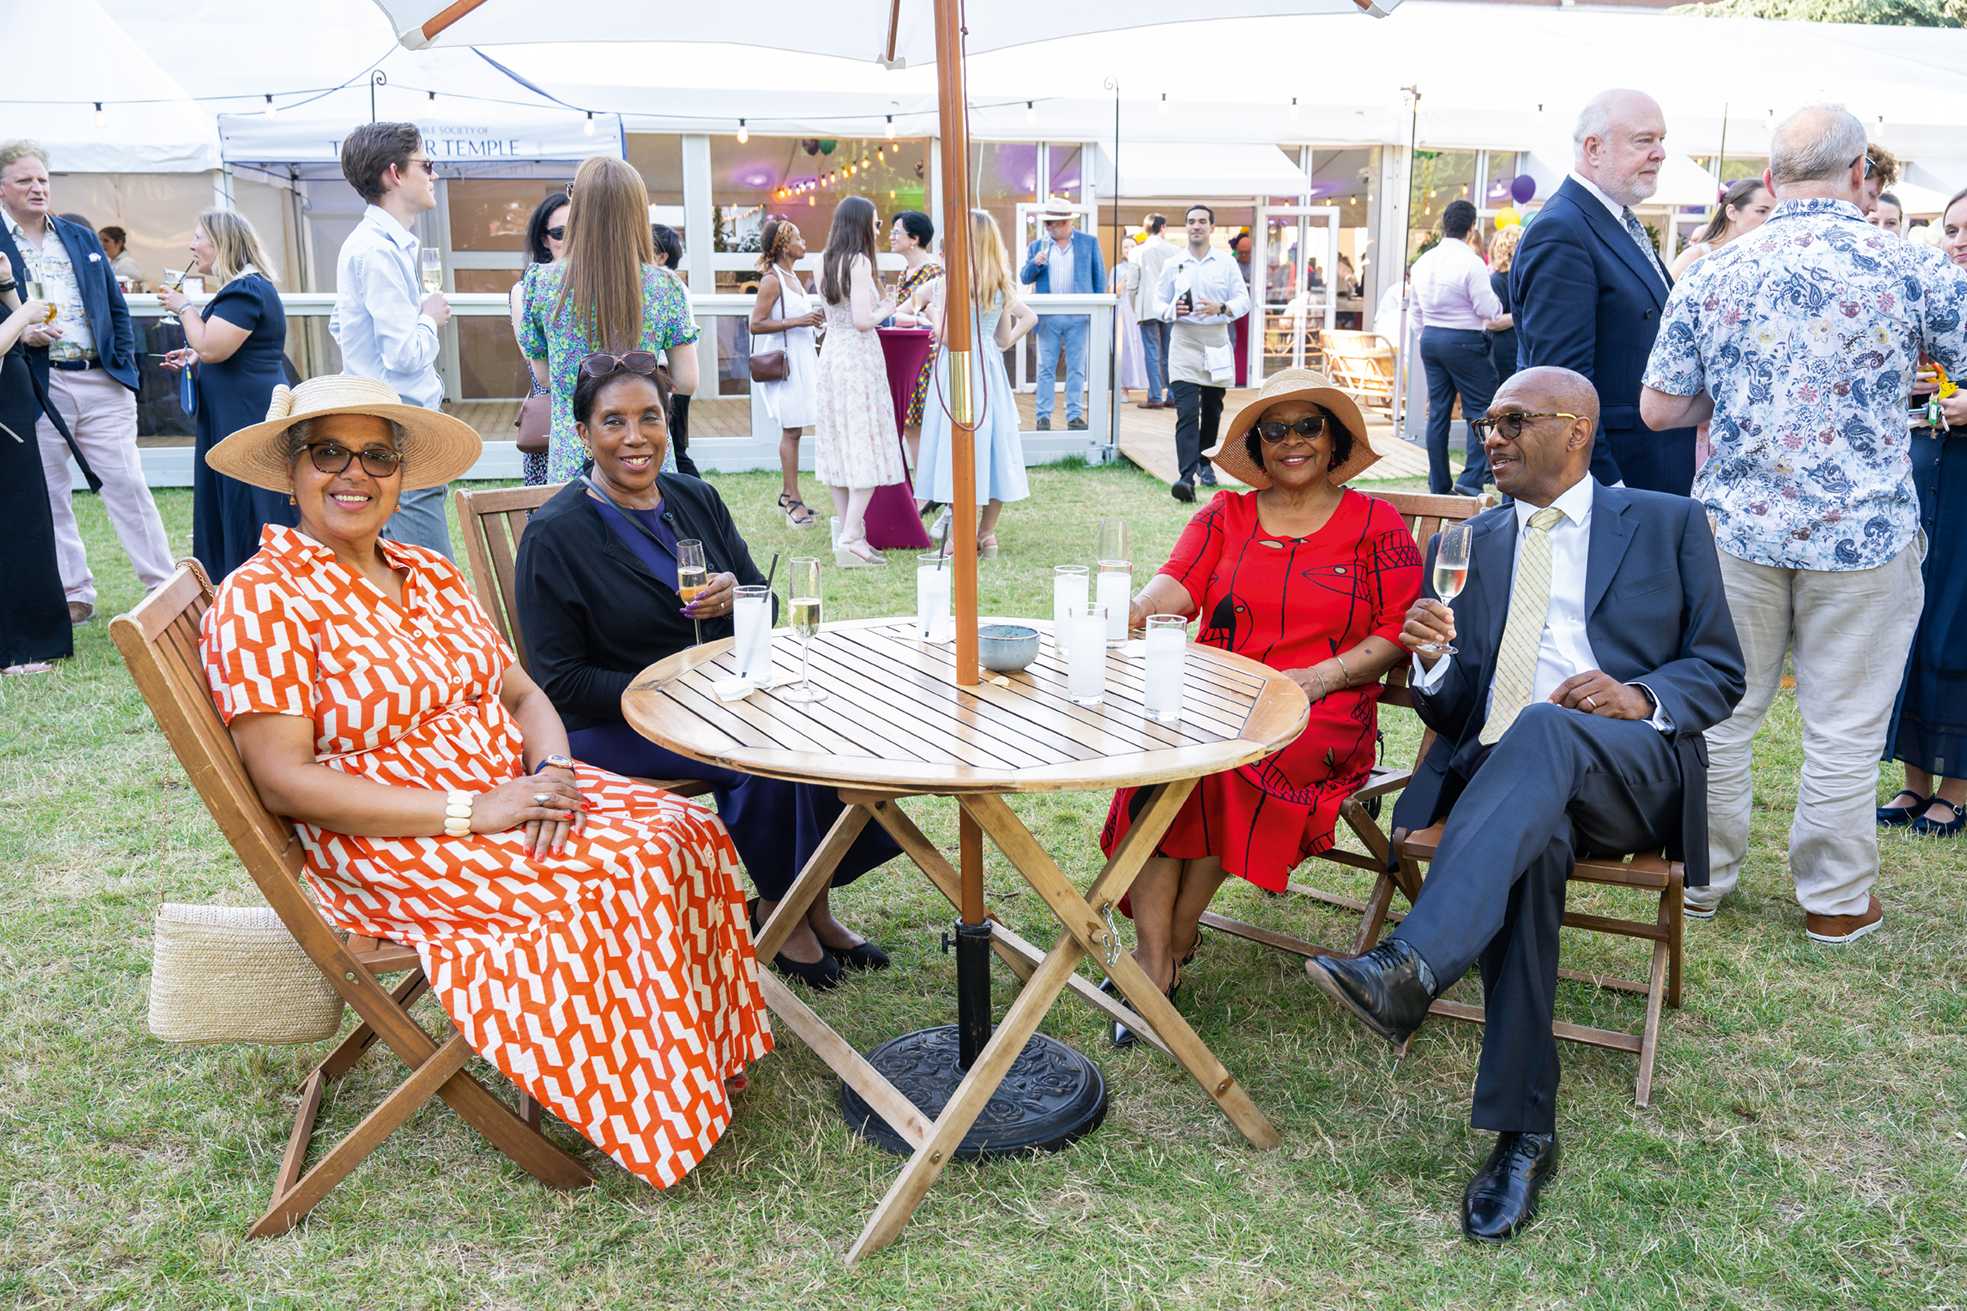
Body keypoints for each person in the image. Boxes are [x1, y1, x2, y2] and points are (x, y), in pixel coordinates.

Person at [200, 372, 769, 1191]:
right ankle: (652, 1100)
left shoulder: (424, 573)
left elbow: (524, 693)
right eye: (329, 453)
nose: (353, 474)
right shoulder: (267, 600)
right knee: (615, 871)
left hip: (510, 790)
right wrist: (475, 809)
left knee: (681, 829)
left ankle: (696, 1067)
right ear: (291, 472)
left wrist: (551, 770)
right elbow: (285, 782)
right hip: (394, 843)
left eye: (376, 456)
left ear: (400, 474)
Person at [1310, 366, 1745, 1244]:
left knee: (1544, 728)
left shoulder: (1665, 522)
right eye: (1485, 422)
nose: (1490, 437)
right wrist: (1431, 661)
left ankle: (1414, 961)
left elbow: (1720, 669)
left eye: (1511, 421)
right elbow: (1454, 703)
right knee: (1532, 844)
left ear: (1575, 429)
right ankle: (1522, 1134)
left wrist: (1640, 696)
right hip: (1509, 790)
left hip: (1628, 773)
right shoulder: (1474, 542)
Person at [1641, 103, 1967, 942]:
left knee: (1720, 715)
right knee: (1845, 725)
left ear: (1773, 178)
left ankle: (1701, 882)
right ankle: (1833, 899)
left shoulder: (1711, 271)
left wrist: (1755, 395)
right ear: (1861, 173)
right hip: (1862, 537)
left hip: (1735, 531)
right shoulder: (1911, 268)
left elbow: (1658, 408)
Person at [513, 356, 900, 987]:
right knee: (757, 754)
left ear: (668, 426)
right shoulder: (555, 535)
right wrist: (675, 697)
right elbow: (560, 683)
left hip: (720, 697)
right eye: (613, 422)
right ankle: (787, 918)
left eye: (650, 418)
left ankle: (806, 905)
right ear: (582, 434)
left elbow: (765, 602)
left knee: (826, 727)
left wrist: (738, 595)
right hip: (612, 723)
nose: (635, 437)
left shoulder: (695, 497)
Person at [1103, 369, 1419, 1044]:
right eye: (1273, 430)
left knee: (1229, 763)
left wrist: (1321, 676)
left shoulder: (1375, 523)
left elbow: (1397, 630)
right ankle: (1156, 961)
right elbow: (1175, 585)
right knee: (1163, 761)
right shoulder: (1225, 515)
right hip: (1215, 695)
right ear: (1257, 446)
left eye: (1308, 425)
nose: (1292, 441)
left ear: (1332, 439)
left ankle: (1177, 939)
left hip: (1321, 712)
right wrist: (1134, 610)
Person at [0, 140, 170, 626]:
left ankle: (160, 583)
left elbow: (114, 306)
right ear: (1, 189)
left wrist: (124, 370)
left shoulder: (78, 236)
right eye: (24, 181)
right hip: (36, 382)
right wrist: (21, 332)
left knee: (128, 484)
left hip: (101, 379)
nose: (37, 188)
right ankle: (75, 592)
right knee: (51, 492)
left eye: (43, 180)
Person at [1510, 89, 1695, 496]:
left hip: (1648, 469)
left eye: (1662, 139)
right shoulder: (1563, 230)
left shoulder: (1612, 220)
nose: (1660, 152)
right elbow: (1561, 388)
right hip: (1614, 483)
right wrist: (1609, 487)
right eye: (1644, 140)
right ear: (1593, 148)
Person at [522, 156, 700, 490]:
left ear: (579, 208)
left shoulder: (541, 284)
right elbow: (687, 381)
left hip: (574, 458)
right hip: (643, 455)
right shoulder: (665, 287)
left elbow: (545, 376)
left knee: (577, 539)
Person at [1880, 186, 1967, 837]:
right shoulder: (1932, 299)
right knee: (1912, 612)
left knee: (1957, 622)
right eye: (1950, 229)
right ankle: (1913, 780)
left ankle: (1957, 787)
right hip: (1923, 464)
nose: (1958, 240)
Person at [328, 122, 456, 558]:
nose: (434, 174)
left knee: (402, 573)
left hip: (384, 425)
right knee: (432, 581)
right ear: (394, 174)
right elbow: (403, 356)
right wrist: (428, 318)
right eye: (427, 164)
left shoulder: (370, 243)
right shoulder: (379, 249)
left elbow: (339, 325)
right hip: (402, 429)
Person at [156, 210, 296, 583]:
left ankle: (257, 580)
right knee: (238, 493)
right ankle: (242, 579)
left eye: (198, 237)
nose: (191, 245)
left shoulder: (245, 289)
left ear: (222, 243)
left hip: (244, 413)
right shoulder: (245, 288)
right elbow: (221, 349)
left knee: (248, 495)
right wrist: (194, 356)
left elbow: (214, 347)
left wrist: (183, 307)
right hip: (236, 408)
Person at [915, 209, 1038, 558]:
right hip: (989, 368)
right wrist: (998, 342)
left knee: (959, 447)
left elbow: (947, 336)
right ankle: (987, 533)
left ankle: (959, 538)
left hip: (958, 368)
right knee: (995, 444)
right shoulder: (997, 283)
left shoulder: (947, 282)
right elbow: (1011, 330)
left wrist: (933, 314)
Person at [812, 196, 902, 567]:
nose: (879, 230)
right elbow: (864, 319)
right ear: (862, 224)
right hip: (858, 356)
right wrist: (888, 308)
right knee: (864, 440)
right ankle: (851, 535)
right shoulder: (860, 262)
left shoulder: (822, 260)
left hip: (832, 353)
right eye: (877, 224)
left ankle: (852, 532)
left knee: (838, 441)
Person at [1155, 204, 1252, 503]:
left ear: (1211, 227)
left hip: (1216, 342)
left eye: (1202, 222)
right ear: (1184, 227)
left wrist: (1221, 308)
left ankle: (1206, 463)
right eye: (1191, 222)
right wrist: (1173, 309)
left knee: (1212, 410)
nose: (1196, 226)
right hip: (1183, 341)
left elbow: (1243, 301)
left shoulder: (1226, 262)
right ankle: (1186, 478)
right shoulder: (1173, 263)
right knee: (1186, 412)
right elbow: (1157, 304)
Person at [1410, 199, 1504, 497]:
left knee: (1438, 413)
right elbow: (1488, 309)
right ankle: (1471, 478)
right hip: (1464, 339)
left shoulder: (1423, 260)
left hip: (1431, 338)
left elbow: (1415, 311)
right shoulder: (1471, 261)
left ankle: (1438, 483)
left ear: (1444, 225)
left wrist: (1425, 336)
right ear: (1472, 228)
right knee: (1482, 410)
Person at [0, 256, 66, 674]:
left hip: (14, 420)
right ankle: (14, 649)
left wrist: (7, 284)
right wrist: (24, 311)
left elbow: (16, 337)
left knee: (28, 527)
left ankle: (33, 639)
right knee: (13, 531)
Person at [748, 217, 824, 529]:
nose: (803, 242)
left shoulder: (793, 277)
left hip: (803, 360)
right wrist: (799, 321)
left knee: (797, 429)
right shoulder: (772, 280)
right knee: (792, 431)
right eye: (798, 237)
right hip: (785, 367)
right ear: (783, 245)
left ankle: (786, 496)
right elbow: (756, 323)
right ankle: (793, 499)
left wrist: (812, 323)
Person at [1019, 200, 1105, 431]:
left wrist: (1096, 313)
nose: (1047, 226)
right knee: (1046, 367)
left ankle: (1074, 415)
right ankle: (1043, 416)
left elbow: (1099, 279)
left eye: (1051, 223)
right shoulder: (1038, 245)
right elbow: (1025, 278)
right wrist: (1035, 264)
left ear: (1066, 222)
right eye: (1045, 223)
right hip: (1049, 318)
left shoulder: (1089, 242)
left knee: (1076, 367)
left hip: (1079, 317)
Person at [509, 191, 566, 486]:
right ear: (544, 240)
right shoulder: (526, 289)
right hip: (553, 414)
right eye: (559, 233)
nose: (569, 240)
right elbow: (537, 363)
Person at [888, 210, 943, 495]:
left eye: (897, 232)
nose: (891, 237)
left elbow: (924, 315)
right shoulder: (904, 274)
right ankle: (922, 488)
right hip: (906, 353)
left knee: (918, 423)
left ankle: (925, 489)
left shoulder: (932, 272)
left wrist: (903, 317)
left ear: (914, 238)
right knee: (910, 424)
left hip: (926, 354)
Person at [650, 222, 700, 478]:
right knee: (675, 445)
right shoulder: (671, 284)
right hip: (668, 375)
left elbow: (685, 338)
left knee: (676, 448)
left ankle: (701, 507)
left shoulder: (669, 285)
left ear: (662, 256)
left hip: (670, 376)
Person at [1667, 179, 1775, 280]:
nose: (1769, 219)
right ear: (1732, 212)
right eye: (1761, 211)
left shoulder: (1761, 260)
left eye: (1774, 212)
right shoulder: (1694, 257)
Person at [1136, 213, 1175, 409]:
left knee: (1151, 353)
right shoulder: (1175, 250)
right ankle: (1173, 396)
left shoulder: (1137, 251)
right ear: (1162, 228)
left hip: (1147, 308)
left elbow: (1132, 285)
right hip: (1169, 307)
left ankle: (1155, 397)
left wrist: (1137, 306)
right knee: (1170, 352)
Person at [1486, 225, 1524, 386]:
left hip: (1517, 350)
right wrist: (1522, 315)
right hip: (1505, 354)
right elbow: (1492, 321)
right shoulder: (1498, 280)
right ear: (1512, 249)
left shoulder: (1520, 277)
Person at [97, 226, 144, 292]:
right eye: (100, 240)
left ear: (119, 243)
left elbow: (137, 282)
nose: (101, 244)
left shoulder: (127, 263)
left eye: (106, 240)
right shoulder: (111, 262)